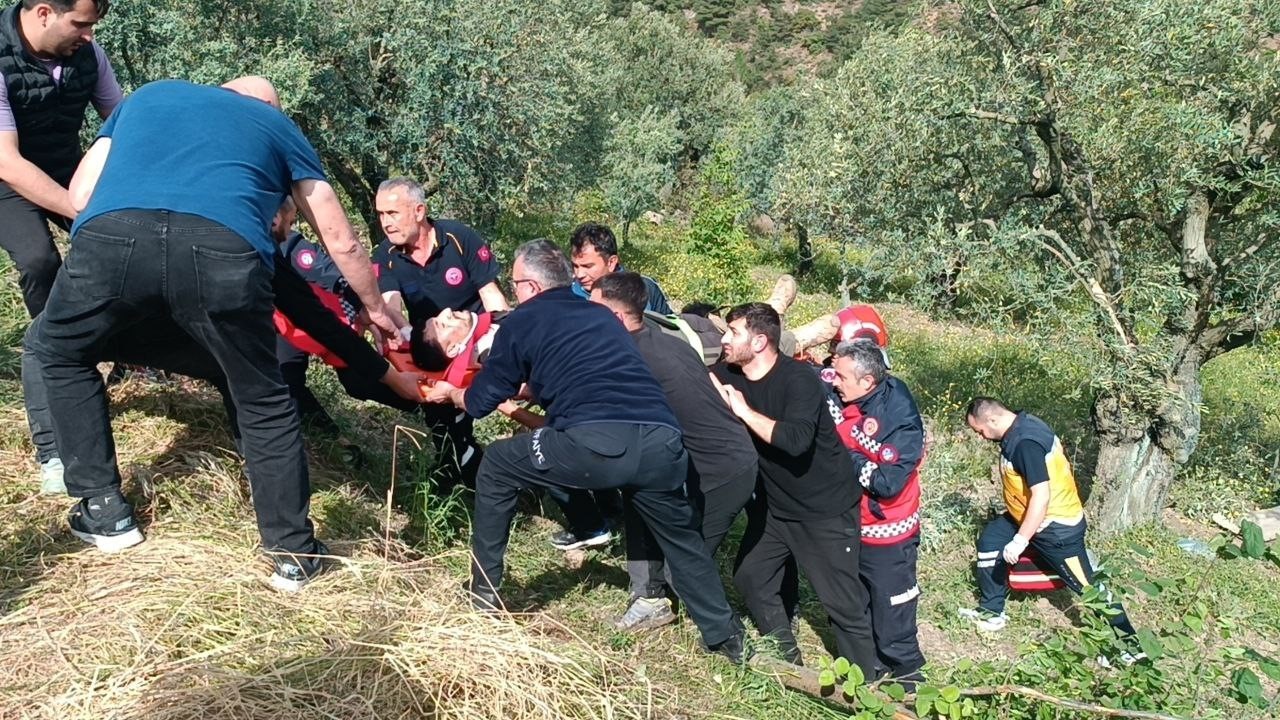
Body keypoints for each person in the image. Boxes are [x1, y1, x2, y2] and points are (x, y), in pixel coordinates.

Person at [26, 76, 406, 592]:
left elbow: (81, 192)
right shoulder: (274, 124)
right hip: (223, 252)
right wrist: (376, 308)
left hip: (114, 240)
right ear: (266, 107)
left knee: (58, 349)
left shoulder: (149, 96)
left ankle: (103, 508)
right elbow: (339, 238)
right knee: (263, 397)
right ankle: (292, 553)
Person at [423, 239, 745, 662]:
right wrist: (535, 387)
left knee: (499, 464)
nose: (514, 291)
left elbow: (482, 401)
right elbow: (591, 371)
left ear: (532, 288)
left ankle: (483, 594)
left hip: (596, 441)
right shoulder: (601, 317)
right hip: (663, 441)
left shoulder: (522, 321)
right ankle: (726, 641)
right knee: (683, 541)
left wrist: (453, 393)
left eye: (517, 283)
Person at [709, 302, 876, 676]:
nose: (724, 339)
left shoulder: (798, 379)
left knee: (842, 604)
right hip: (776, 508)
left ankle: (870, 691)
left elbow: (796, 440)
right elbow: (697, 378)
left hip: (824, 510)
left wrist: (743, 412)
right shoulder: (727, 373)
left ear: (760, 341)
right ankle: (789, 662)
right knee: (751, 578)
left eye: (733, 332)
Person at [590, 272, 758, 632]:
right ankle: (649, 595)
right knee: (638, 487)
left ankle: (729, 635)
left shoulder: (628, 359)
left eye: (593, 311)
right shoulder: (666, 340)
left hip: (725, 470)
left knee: (681, 571)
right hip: (699, 461)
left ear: (616, 318)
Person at [3, 0, 122, 491]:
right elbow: (7, 163)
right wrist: (81, 212)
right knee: (39, 261)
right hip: (5, 178)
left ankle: (129, 353)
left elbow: (122, 122)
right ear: (46, 12)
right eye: (82, 23)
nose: (89, 34)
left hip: (64, 166)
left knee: (121, 248)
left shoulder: (88, 55)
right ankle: (56, 355)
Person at [961, 398, 1140, 648]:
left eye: (980, 431)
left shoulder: (1025, 444)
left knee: (1088, 588)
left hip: (1055, 527)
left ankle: (1130, 647)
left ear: (992, 419)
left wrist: (1020, 540)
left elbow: (1041, 497)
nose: (981, 437)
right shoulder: (1024, 423)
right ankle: (992, 613)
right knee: (991, 541)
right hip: (1023, 516)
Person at [371, 176, 507, 488]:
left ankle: (479, 475)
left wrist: (506, 344)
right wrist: (400, 337)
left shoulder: (459, 238)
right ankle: (460, 474)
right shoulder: (385, 256)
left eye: (393, 214)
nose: (386, 223)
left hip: (475, 342)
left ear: (419, 211)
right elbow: (392, 307)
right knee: (442, 422)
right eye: (380, 215)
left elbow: (491, 296)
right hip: (432, 350)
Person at [828, 339, 927, 684]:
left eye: (839, 376)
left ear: (867, 381)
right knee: (856, 602)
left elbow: (887, 483)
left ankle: (909, 680)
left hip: (887, 534)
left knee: (893, 610)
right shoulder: (852, 392)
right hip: (850, 525)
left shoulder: (899, 422)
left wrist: (844, 457)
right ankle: (866, 671)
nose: (833, 381)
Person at [569, 222, 671, 314]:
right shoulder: (567, 295)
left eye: (587, 266)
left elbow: (671, 331)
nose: (579, 274)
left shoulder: (645, 288)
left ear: (611, 262)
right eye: (575, 266)